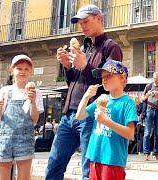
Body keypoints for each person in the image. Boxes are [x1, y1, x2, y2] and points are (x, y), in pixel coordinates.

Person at [46, 4, 123, 180]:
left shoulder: (111, 47)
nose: (83, 26)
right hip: (68, 115)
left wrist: (85, 66)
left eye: (86, 21)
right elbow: (74, 82)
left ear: (99, 19)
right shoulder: (84, 48)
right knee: (54, 166)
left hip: (91, 116)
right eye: (80, 24)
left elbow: (110, 83)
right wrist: (67, 66)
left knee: (89, 170)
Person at [0, 54, 44, 180]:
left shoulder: (36, 92)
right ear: (12, 70)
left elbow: (34, 120)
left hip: (25, 140)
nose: (22, 72)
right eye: (19, 68)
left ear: (31, 71)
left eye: (26, 69)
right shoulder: (4, 91)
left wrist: (32, 102)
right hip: (5, 139)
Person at [75, 59, 137, 179]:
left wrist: (106, 121)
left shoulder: (127, 102)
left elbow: (130, 134)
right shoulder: (102, 99)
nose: (104, 79)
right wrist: (86, 96)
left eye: (108, 75)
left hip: (113, 160)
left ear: (122, 78)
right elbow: (79, 116)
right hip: (95, 155)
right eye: (102, 77)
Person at [141, 72, 158, 160]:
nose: (154, 80)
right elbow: (142, 99)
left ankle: (156, 153)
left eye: (156, 79)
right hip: (149, 109)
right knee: (147, 133)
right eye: (153, 79)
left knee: (157, 133)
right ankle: (146, 153)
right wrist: (148, 95)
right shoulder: (148, 86)